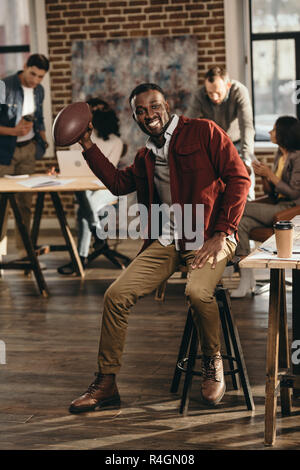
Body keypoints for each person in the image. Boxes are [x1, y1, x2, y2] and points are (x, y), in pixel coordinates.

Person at [68, 82, 250, 414]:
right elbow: (119, 183)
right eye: (140, 110)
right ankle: (106, 383)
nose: (149, 114)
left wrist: (223, 231)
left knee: (197, 292)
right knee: (115, 295)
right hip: (167, 240)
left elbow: (240, 178)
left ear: (167, 104)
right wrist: (87, 144)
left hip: (211, 236)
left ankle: (213, 360)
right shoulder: (146, 155)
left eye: (154, 106)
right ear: (134, 116)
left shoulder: (205, 132)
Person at [231, 116, 300, 298]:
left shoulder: (297, 157)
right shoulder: (280, 154)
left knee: (238, 208)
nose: (270, 132)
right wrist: (263, 175)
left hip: (291, 209)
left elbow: (294, 192)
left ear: (284, 133)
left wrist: (270, 174)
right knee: (241, 223)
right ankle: (247, 279)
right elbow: (272, 194)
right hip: (277, 204)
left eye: (274, 129)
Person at [57, 100, 125, 274]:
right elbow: (73, 164)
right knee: (84, 194)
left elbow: (109, 172)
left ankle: (80, 258)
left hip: (107, 189)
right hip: (86, 187)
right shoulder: (79, 138)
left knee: (83, 210)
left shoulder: (116, 142)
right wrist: (61, 170)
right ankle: (96, 233)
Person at [0, 54, 49, 254]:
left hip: (28, 150)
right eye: (33, 74)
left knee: (25, 204)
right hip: (4, 152)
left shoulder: (39, 90)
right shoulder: (4, 86)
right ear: (25, 66)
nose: (35, 80)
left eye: (40, 77)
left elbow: (40, 119)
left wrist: (43, 143)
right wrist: (14, 131)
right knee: (1, 206)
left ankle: (26, 253)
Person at [188, 66, 255, 200]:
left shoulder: (239, 91)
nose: (213, 97)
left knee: (244, 180)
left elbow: (246, 126)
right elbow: (190, 126)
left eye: (217, 92)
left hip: (238, 143)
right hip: (214, 146)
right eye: (210, 93)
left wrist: (246, 158)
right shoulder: (199, 95)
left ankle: (249, 207)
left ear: (228, 85)